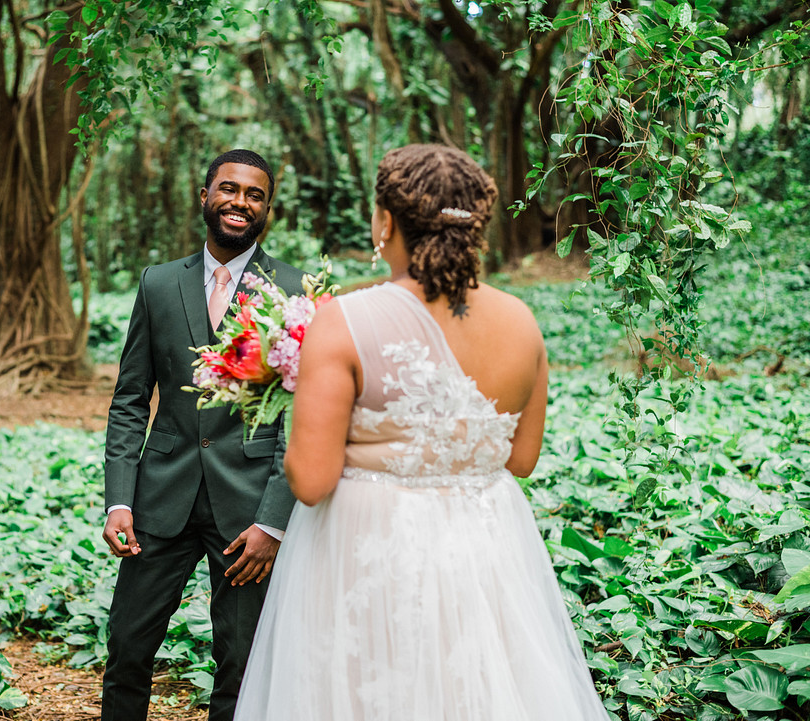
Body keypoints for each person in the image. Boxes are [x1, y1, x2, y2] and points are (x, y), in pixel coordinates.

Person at [233, 144, 610, 720]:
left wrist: (297, 392)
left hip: (364, 553)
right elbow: (523, 460)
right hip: (486, 550)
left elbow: (310, 481)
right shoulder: (521, 323)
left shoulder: (344, 320)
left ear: (386, 222)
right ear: (477, 228)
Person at [99, 149, 307, 721]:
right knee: (126, 652)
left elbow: (304, 419)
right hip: (157, 502)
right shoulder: (159, 283)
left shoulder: (293, 290)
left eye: (255, 194)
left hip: (247, 512)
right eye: (229, 189)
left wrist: (273, 521)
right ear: (205, 195)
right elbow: (130, 400)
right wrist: (119, 498)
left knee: (240, 664)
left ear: (267, 207)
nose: (241, 202)